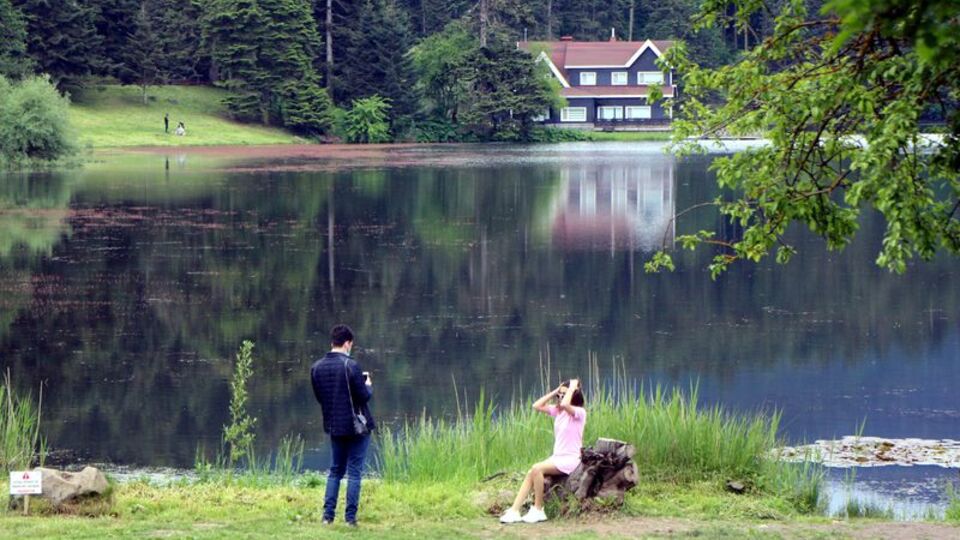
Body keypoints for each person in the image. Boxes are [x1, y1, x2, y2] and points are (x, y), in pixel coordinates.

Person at [310, 324, 375, 526]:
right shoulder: (351, 365)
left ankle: (328, 516)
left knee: (335, 471)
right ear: (347, 343)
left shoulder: (316, 367)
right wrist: (368, 385)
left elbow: (321, 398)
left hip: (335, 426)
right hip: (357, 427)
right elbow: (363, 397)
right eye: (351, 345)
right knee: (354, 472)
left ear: (332, 342)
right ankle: (350, 519)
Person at [500, 379, 586, 524]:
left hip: (571, 459)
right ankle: (514, 510)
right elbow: (536, 405)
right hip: (557, 457)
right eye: (559, 395)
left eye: (563, 395)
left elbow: (566, 405)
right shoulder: (559, 412)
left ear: (573, 395)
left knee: (537, 468)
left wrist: (571, 388)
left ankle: (538, 509)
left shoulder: (579, 413)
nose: (560, 398)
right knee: (531, 472)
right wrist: (556, 390)